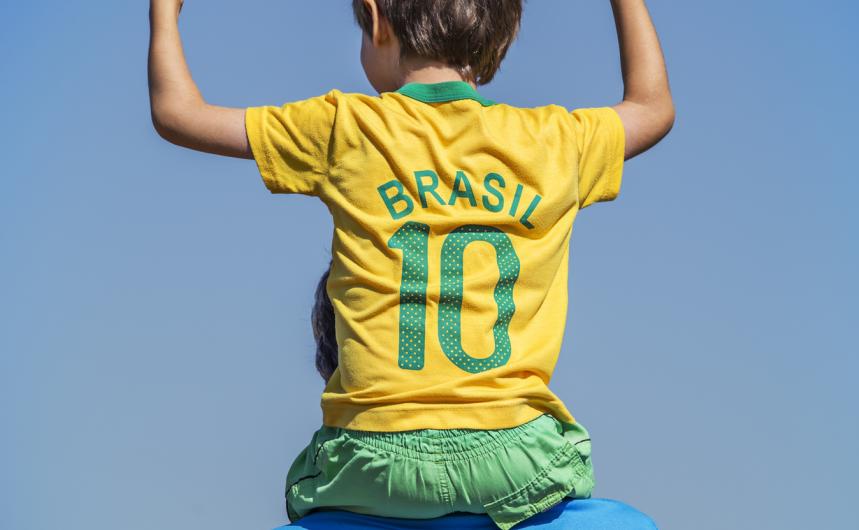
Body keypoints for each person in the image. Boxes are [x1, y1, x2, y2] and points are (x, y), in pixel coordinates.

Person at [147, 0, 674, 528]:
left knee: (315, 485)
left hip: (373, 458)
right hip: (515, 456)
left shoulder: (345, 127)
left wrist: (165, 14)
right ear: (502, 33)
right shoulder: (555, 141)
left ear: (377, 20)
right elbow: (652, 108)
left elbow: (179, 114)